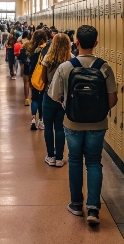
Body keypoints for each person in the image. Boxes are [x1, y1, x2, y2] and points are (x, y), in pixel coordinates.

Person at [47, 25, 118, 225]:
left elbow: (54, 96)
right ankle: (94, 209)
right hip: (97, 124)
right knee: (94, 162)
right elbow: (112, 99)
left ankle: (76, 205)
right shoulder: (104, 67)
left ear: (76, 43)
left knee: (75, 160)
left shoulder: (66, 67)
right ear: (96, 43)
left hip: (72, 123)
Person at [41, 33, 73, 168]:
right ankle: (60, 158)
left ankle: (51, 156)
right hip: (64, 98)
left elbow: (43, 79)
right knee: (60, 127)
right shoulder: (71, 60)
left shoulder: (48, 59)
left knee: (48, 127)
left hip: (49, 95)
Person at [28, 30, 48, 130]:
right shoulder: (47, 49)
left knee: (34, 98)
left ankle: (33, 119)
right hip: (44, 76)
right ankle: (41, 120)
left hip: (34, 76)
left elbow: (30, 63)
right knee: (42, 98)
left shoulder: (33, 49)